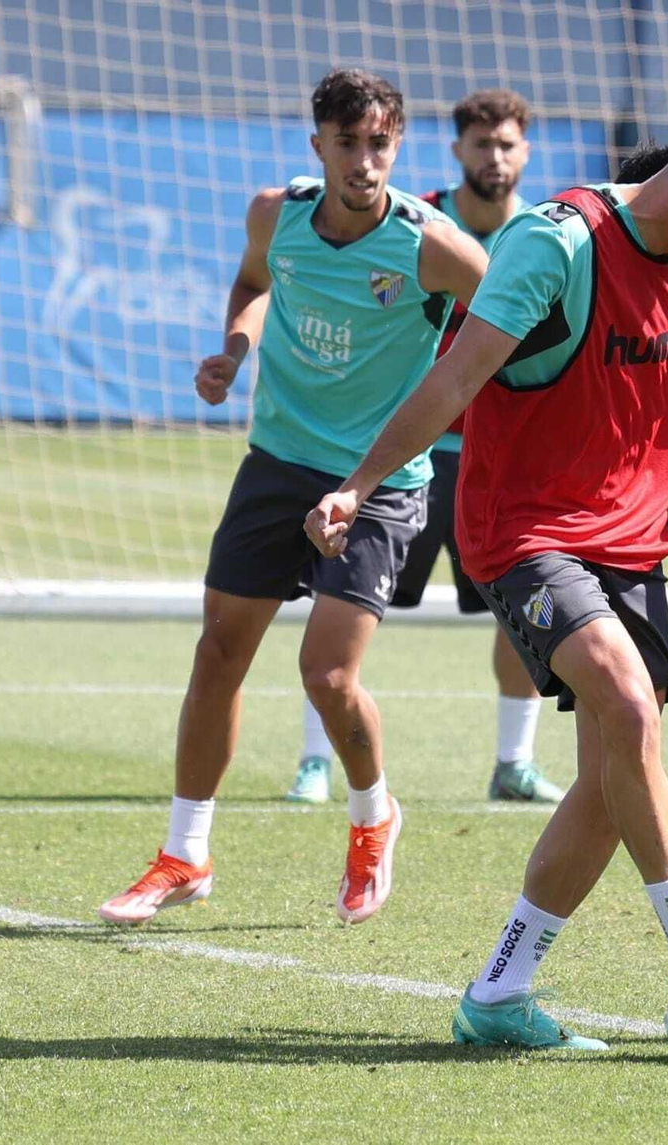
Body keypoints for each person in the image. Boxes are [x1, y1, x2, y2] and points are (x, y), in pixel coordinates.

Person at [305, 100, 668, 1051]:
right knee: (626, 703)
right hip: (525, 532)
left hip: (632, 537)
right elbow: (456, 380)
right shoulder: (558, 242)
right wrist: (358, 486)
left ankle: (500, 991)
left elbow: (640, 357)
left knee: (616, 777)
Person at [97, 69, 488, 928]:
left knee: (329, 674)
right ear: (319, 146)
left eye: (379, 143)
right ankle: (185, 852)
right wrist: (234, 351)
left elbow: (512, 323)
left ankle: (372, 814)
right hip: (278, 461)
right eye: (347, 142)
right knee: (217, 652)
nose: (364, 159)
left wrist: (483, 413)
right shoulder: (274, 214)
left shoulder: (435, 246)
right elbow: (251, 283)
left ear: (398, 146)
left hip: (381, 483)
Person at [286, 88, 564, 807]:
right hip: (399, 453)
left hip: (497, 456)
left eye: (507, 145)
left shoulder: (541, 235)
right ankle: (316, 759)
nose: (494, 157)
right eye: (482, 144)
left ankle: (515, 760)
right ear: (456, 151)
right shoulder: (415, 224)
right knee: (337, 595)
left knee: (522, 605)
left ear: (525, 153)